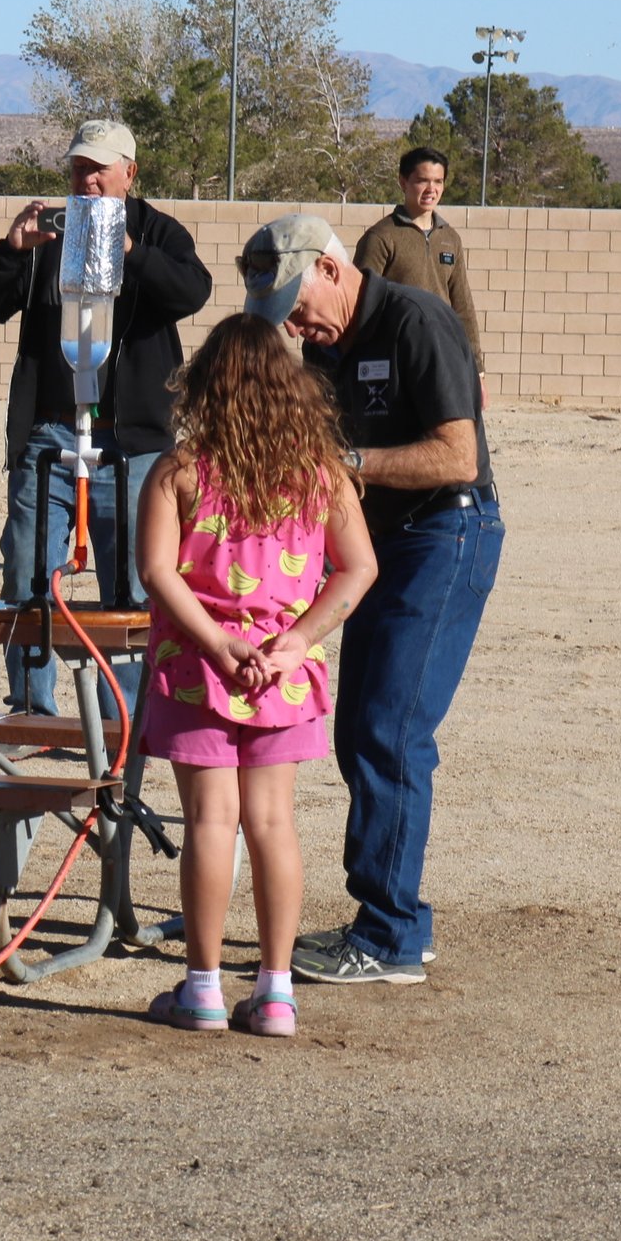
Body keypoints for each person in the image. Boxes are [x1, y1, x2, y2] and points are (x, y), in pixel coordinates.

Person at [241, 214, 504, 985]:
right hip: (381, 543)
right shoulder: (327, 348)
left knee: (391, 729)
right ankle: (395, 920)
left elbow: (458, 454)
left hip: (444, 536)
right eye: (284, 318)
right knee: (358, 726)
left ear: (330, 267)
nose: (295, 327)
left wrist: (349, 463)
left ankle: (388, 937)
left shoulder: (417, 319)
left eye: (297, 306)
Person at [137, 314, 376, 1037]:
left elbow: (156, 571)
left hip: (195, 668)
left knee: (210, 821)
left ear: (204, 383)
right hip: (284, 675)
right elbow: (359, 568)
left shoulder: (178, 471)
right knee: (273, 822)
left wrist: (215, 642)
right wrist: (297, 642)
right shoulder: (321, 474)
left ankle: (203, 988)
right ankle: (275, 991)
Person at [0, 119, 212, 715]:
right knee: (29, 574)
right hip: (48, 432)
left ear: (129, 172)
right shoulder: (50, 231)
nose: (88, 180)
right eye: (79, 168)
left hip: (132, 444)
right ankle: (31, 712)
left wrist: (131, 250)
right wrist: (11, 251)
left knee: (131, 587)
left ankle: (120, 723)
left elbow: (191, 291)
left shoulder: (158, 230)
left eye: (99, 169)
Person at [353, 145, 483, 368]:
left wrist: (476, 368)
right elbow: (359, 302)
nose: (431, 189)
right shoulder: (381, 236)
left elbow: (463, 307)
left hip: (443, 355)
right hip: (397, 357)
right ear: (403, 182)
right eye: (423, 180)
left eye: (438, 181)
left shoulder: (450, 238)